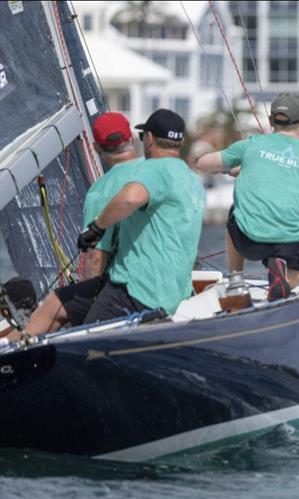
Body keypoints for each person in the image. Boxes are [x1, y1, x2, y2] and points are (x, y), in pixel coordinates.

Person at [5, 112, 142, 341]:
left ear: (97, 148)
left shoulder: (102, 191)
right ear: (132, 140)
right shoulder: (158, 174)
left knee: (54, 308)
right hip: (165, 284)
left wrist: (89, 303)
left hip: (123, 292)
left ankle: (12, 352)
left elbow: (94, 258)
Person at [196, 93, 299, 301]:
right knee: (291, 278)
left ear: (270, 120)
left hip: (248, 240)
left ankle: (236, 281)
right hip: (289, 243)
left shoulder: (252, 144)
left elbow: (203, 163)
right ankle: (283, 278)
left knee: (236, 212)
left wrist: (230, 169)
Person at [78, 108, 205, 322]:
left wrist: (97, 227)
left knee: (81, 342)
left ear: (149, 138)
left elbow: (130, 198)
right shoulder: (191, 179)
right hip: (174, 294)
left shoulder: (155, 168)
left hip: (136, 290)